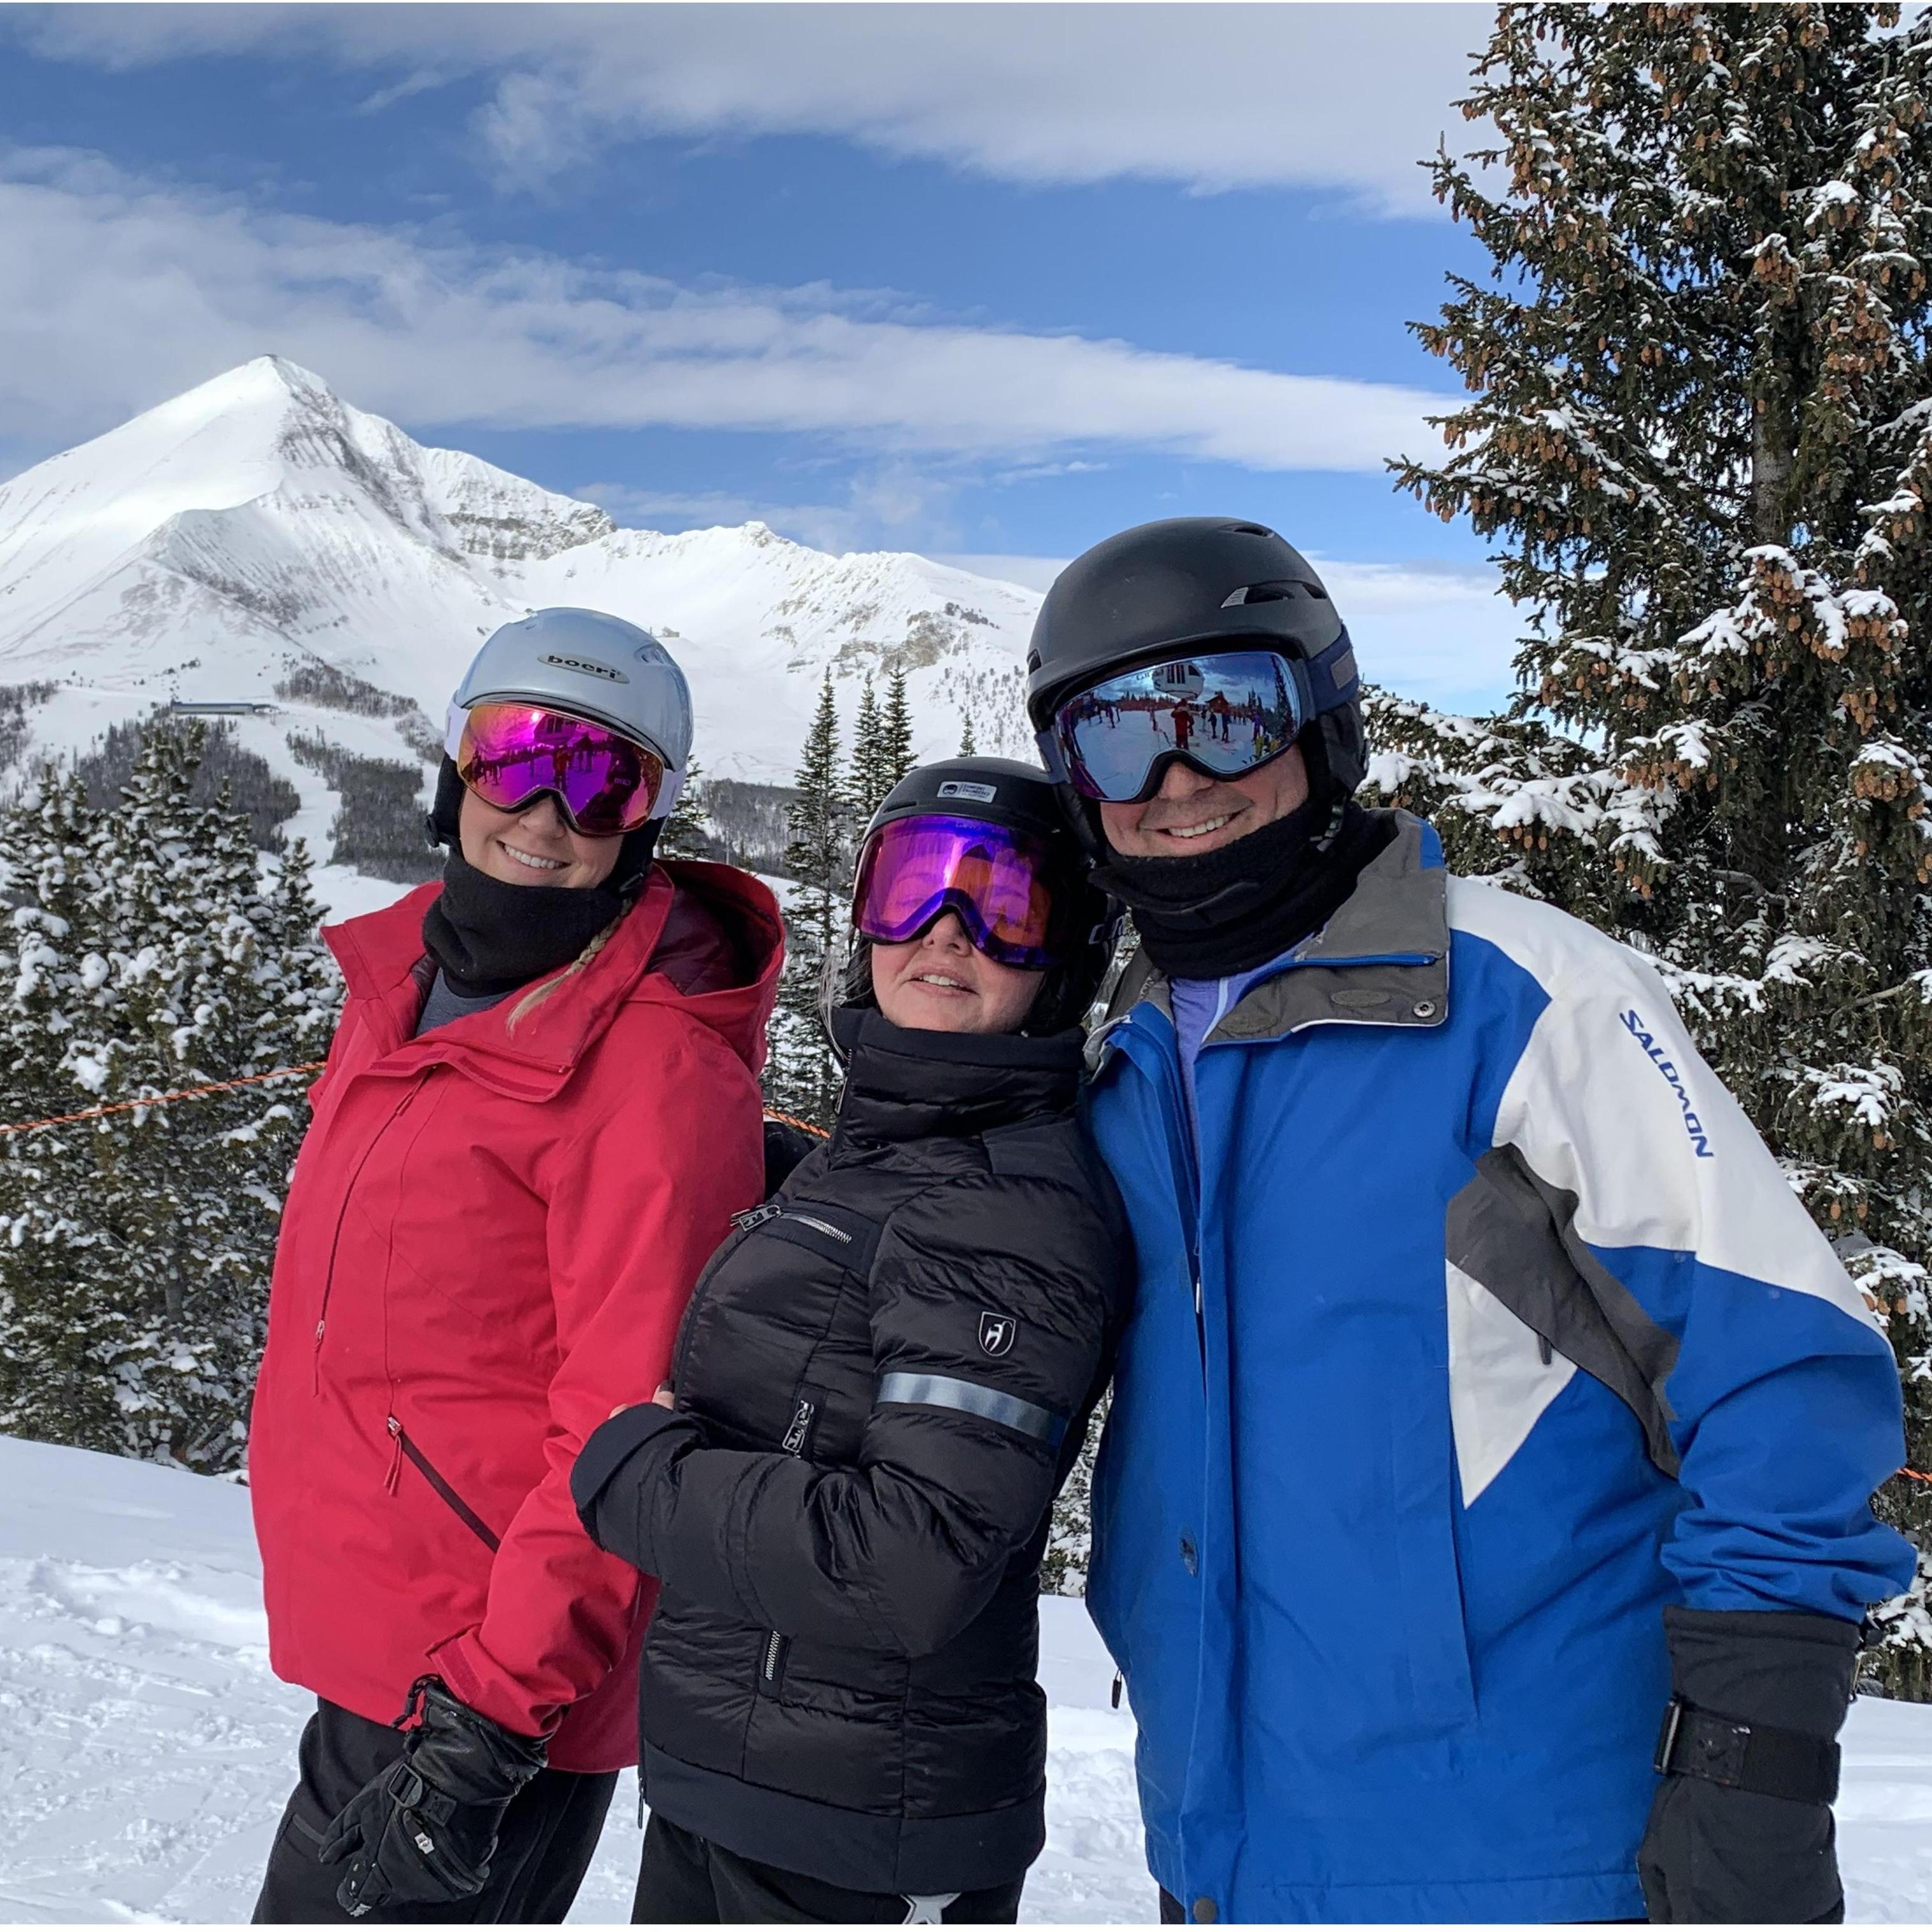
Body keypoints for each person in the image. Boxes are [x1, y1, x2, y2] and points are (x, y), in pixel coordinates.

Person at [1024, 518, 1917, 1926]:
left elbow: (1782, 1369)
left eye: (1224, 714)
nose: (1177, 778)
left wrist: (1749, 1761)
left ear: (1320, 718)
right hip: (1218, 1854)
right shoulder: (1126, 1068)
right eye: (1113, 738)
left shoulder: (1518, 998)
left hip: (1527, 1855)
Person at [248, 608, 783, 1923]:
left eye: (604, 780)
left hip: (487, 1685)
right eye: (517, 755)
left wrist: (491, 1715)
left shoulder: (654, 1072)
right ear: (453, 763)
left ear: (643, 822)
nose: (547, 811)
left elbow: (629, 1418)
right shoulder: (406, 990)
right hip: (388, 1636)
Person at [570, 758, 1132, 1926]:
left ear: (1069, 953)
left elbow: (907, 1562)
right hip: (755, 1785)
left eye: (1007, 910)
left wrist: (637, 1477)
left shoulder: (1008, 1207)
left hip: (859, 1837)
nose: (946, 932)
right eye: (912, 889)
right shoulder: (894, 1143)